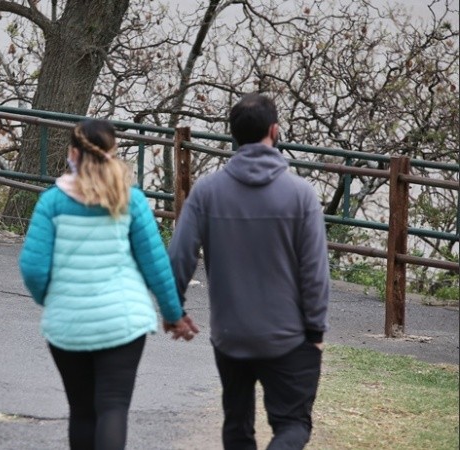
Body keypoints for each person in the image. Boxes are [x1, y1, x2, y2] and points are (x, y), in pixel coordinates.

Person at [19, 119, 198, 450]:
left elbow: (32, 268)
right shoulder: (130, 200)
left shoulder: (52, 202)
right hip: (122, 322)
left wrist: (54, 299)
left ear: (73, 153)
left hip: (68, 324)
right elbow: (156, 266)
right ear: (113, 154)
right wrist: (174, 313)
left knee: (82, 411)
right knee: (113, 407)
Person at [168, 92, 330, 450]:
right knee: (292, 425)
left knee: (237, 425)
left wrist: (173, 310)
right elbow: (316, 272)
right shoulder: (301, 195)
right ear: (274, 130)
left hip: (231, 334)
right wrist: (316, 329)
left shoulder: (207, 191)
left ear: (233, 135)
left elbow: (179, 255)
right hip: (289, 337)